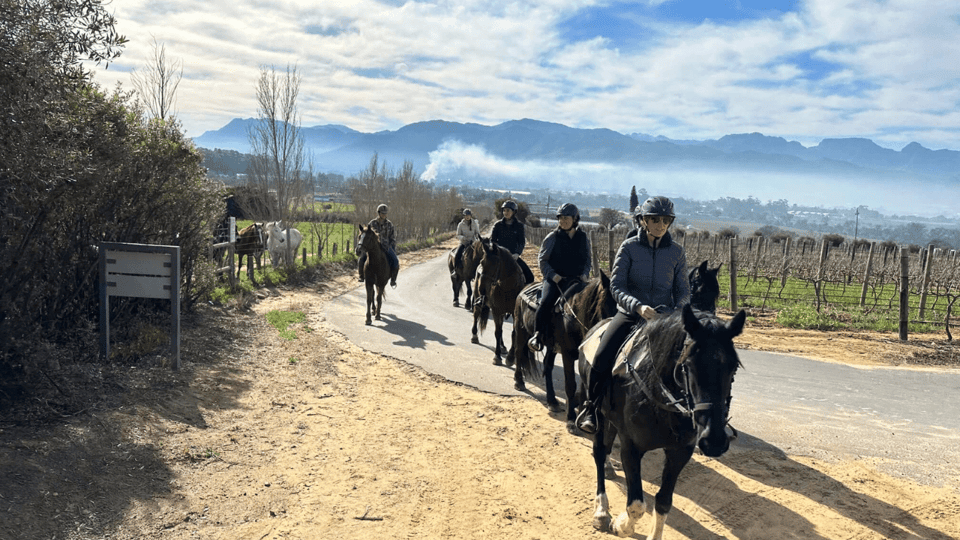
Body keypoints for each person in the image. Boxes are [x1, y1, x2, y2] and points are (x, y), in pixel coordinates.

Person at [576, 196, 690, 434]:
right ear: (643, 221)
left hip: (664, 319)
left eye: (665, 220)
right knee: (602, 356)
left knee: (693, 360)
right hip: (630, 314)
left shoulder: (677, 253)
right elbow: (616, 287)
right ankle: (591, 409)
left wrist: (671, 313)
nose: (660, 225)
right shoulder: (629, 248)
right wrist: (637, 307)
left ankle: (693, 416)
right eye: (654, 219)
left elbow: (683, 292)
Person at [528, 203, 592, 352]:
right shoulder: (552, 237)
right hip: (556, 279)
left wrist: (585, 274)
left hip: (576, 279)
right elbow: (542, 260)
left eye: (566, 218)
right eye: (561, 219)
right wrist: (552, 275)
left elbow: (588, 260)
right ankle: (538, 335)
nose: (563, 221)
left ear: (575, 220)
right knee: (546, 302)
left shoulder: (583, 238)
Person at [490, 200, 535, 285]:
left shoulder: (519, 226)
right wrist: (496, 252)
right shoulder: (497, 225)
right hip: (499, 256)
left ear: (513, 212)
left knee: (530, 277)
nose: (505, 212)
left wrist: (517, 253)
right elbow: (493, 240)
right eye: (504, 210)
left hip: (513, 257)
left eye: (508, 210)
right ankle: (482, 296)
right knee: (486, 275)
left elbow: (521, 242)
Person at [358, 203, 400, 288]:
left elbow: (392, 237)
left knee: (395, 260)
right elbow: (366, 234)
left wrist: (392, 247)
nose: (384, 215)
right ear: (379, 213)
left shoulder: (389, 224)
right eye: (382, 213)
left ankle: (393, 280)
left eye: (385, 213)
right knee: (361, 258)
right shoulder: (372, 223)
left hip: (386, 246)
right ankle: (361, 276)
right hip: (373, 247)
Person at [452, 208, 481, 277]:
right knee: (457, 254)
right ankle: (455, 271)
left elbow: (477, 232)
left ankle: (480, 271)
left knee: (480, 254)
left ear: (471, 216)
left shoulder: (474, 223)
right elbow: (457, 235)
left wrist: (477, 237)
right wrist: (463, 238)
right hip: (464, 243)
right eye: (466, 215)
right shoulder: (460, 224)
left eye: (468, 215)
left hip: (473, 243)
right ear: (464, 216)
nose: (467, 217)